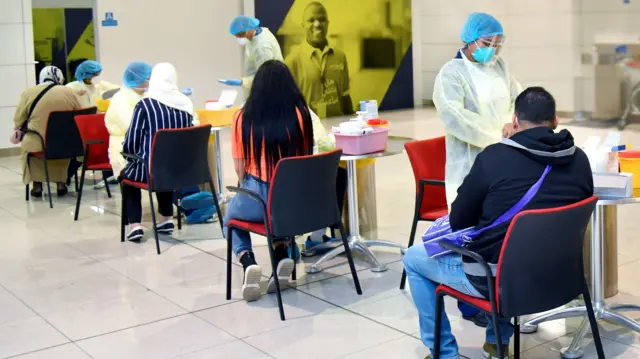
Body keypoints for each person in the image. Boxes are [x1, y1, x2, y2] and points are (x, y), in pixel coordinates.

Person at [403, 87, 593, 359]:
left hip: (499, 283)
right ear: (556, 121)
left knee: (413, 258)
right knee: (508, 246)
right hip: (560, 277)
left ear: (515, 121)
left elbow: (459, 220)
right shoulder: (580, 159)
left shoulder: (494, 158)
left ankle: (443, 353)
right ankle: (496, 342)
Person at [432, 12, 522, 327]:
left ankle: (498, 295)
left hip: (504, 158)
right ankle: (471, 302)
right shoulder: (451, 73)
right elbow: (454, 116)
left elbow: (516, 99)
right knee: (472, 234)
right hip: (469, 164)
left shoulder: (500, 67)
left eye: (498, 44)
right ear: (469, 40)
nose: (492, 50)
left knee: (499, 229)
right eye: (487, 43)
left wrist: (516, 126)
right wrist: (494, 137)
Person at [224, 60, 314, 302]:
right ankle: (283, 254)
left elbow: (240, 168)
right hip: (296, 199)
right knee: (276, 217)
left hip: (259, 193)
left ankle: (248, 261)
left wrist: (245, 190)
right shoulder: (301, 114)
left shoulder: (243, 117)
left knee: (230, 219)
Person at [120, 63, 195, 241]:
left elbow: (131, 143)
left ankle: (135, 225)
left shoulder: (145, 106)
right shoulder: (186, 104)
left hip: (153, 171)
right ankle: (165, 218)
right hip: (183, 172)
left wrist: (127, 153)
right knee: (166, 163)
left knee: (127, 176)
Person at [12, 66, 82, 197]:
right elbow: (81, 115)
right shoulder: (70, 92)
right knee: (62, 147)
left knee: (29, 146)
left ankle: (37, 185)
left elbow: (18, 120)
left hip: (38, 142)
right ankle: (61, 183)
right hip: (65, 144)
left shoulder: (29, 93)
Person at [285, 1, 352, 118]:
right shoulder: (292, 61)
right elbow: (287, 105)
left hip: (336, 128)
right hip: (309, 131)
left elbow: (345, 97)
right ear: (303, 25)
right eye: (311, 20)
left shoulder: (340, 57)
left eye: (322, 20)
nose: (317, 24)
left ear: (328, 23)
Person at [105, 62, 153, 177]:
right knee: (131, 187)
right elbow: (130, 127)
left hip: (143, 148)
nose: (151, 81)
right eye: (148, 78)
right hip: (124, 150)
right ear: (138, 80)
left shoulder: (145, 96)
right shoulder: (120, 99)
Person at [219, 15, 284, 89]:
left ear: (250, 29)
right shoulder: (260, 33)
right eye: (236, 36)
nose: (239, 38)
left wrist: (242, 82)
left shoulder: (262, 48)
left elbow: (266, 78)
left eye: (241, 35)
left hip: (270, 91)